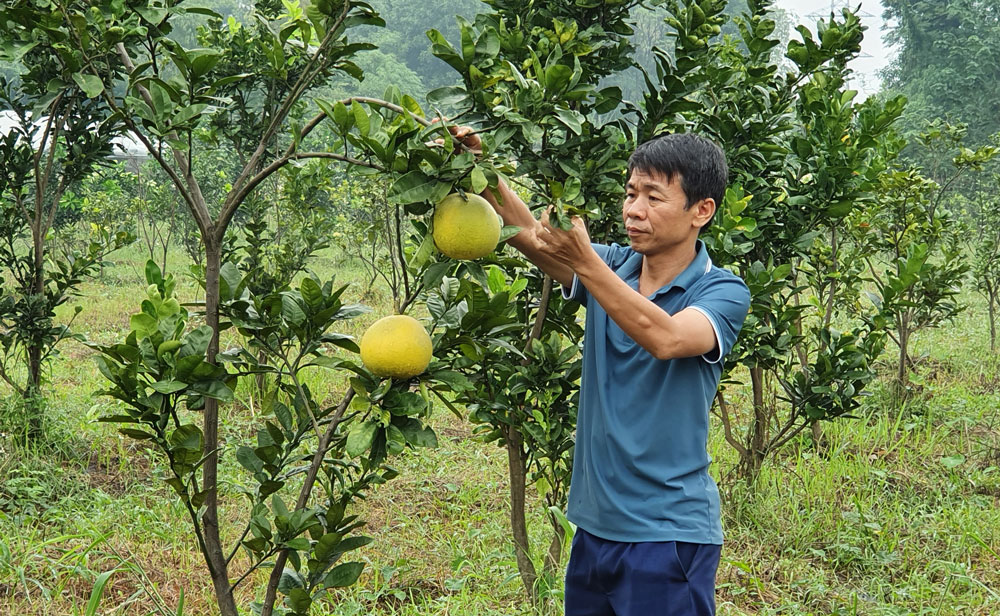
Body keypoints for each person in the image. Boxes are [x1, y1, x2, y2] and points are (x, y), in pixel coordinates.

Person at [451, 126, 751, 615]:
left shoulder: (723, 291)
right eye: (631, 193)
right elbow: (530, 236)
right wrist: (480, 171)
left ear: (702, 210)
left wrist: (588, 264)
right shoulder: (614, 268)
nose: (633, 209)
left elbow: (668, 338)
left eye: (654, 197)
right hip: (592, 531)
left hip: (667, 535)